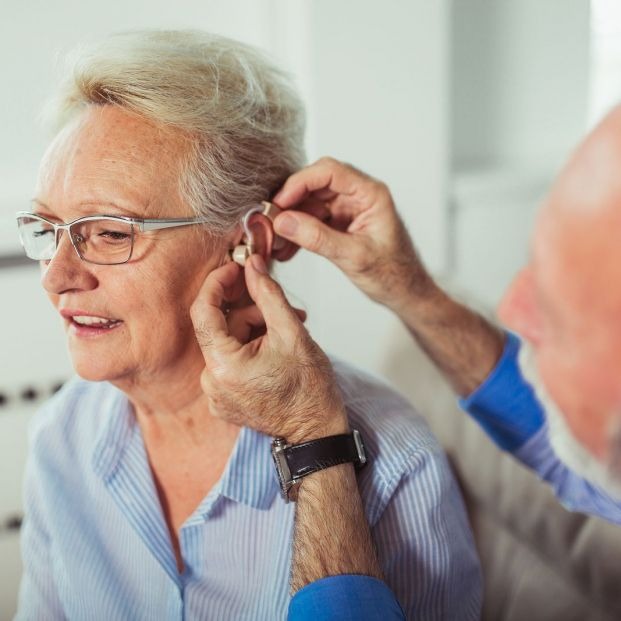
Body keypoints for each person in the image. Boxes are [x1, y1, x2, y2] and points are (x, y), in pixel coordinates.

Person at [15, 30, 482, 620]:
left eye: (109, 232)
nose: (56, 277)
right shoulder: (62, 437)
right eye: (47, 228)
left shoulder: (395, 466)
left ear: (247, 241)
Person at [202, 105, 621, 617]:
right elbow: (581, 449)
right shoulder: (76, 428)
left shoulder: (404, 462)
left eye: (562, 307)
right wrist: (413, 292)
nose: (510, 309)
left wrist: (313, 438)